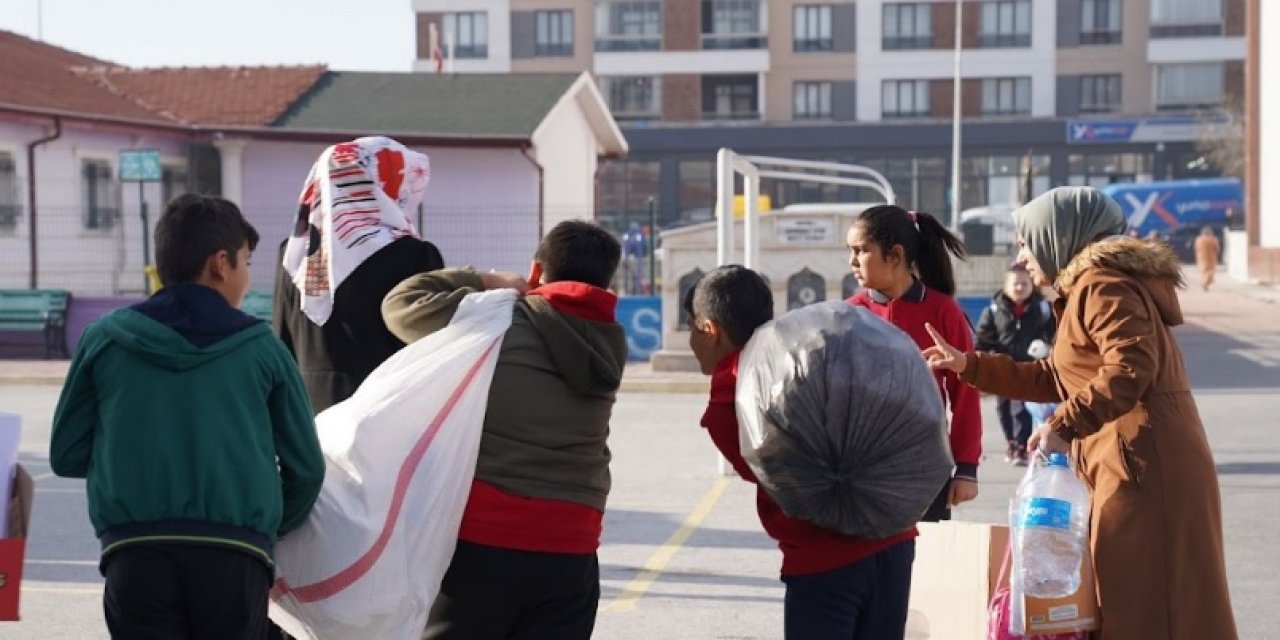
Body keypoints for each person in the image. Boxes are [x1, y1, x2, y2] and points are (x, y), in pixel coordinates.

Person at [924, 186, 1238, 639]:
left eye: (1026, 239)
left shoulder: (1101, 284)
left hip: (1145, 467)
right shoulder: (1087, 288)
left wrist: (1063, 424)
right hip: (1131, 461)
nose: (1021, 252)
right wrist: (971, 365)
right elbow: (1059, 375)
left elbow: (1130, 366)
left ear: (1058, 236)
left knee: (1150, 606)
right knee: (1140, 601)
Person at [49, 194, 326, 639]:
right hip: (235, 553)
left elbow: (66, 454)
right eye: (246, 263)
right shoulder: (262, 348)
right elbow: (307, 470)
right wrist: (264, 524)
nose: (248, 280)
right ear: (221, 264)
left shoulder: (104, 339)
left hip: (133, 550)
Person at [382, 220, 628, 640]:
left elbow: (401, 304)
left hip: (485, 536)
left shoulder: (501, 319)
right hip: (574, 544)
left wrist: (486, 279)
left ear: (536, 271)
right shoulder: (611, 342)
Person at [685, 265, 918, 639]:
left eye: (691, 330)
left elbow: (770, 475)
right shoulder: (808, 349)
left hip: (824, 559)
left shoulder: (731, 395)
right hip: (895, 538)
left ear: (710, 330)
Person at [274, 136, 445, 413]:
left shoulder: (295, 253)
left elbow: (284, 342)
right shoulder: (413, 254)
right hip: (385, 413)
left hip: (309, 414)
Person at [845, 204, 982, 521]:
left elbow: (965, 392)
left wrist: (966, 467)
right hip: (861, 468)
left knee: (924, 563)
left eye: (861, 250)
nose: (852, 261)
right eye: (850, 251)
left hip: (925, 466)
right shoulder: (848, 314)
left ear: (895, 255)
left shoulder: (943, 311)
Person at [975, 264, 1055, 465]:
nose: (1019, 287)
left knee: (1021, 408)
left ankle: (1022, 445)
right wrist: (985, 357)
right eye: (1015, 284)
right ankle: (1012, 442)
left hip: (1029, 369)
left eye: (1024, 283)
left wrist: (1045, 345)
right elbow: (983, 339)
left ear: (1032, 285)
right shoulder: (993, 311)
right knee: (1003, 409)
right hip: (1002, 369)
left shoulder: (1042, 309)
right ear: (1006, 286)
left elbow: (1053, 333)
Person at [1195, 226, 1222, 292]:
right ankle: (1205, 283)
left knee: (1204, 272)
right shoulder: (1213, 239)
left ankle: (1205, 282)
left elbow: (1196, 248)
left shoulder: (1199, 239)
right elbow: (1217, 249)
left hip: (1201, 258)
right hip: (1211, 258)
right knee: (1210, 272)